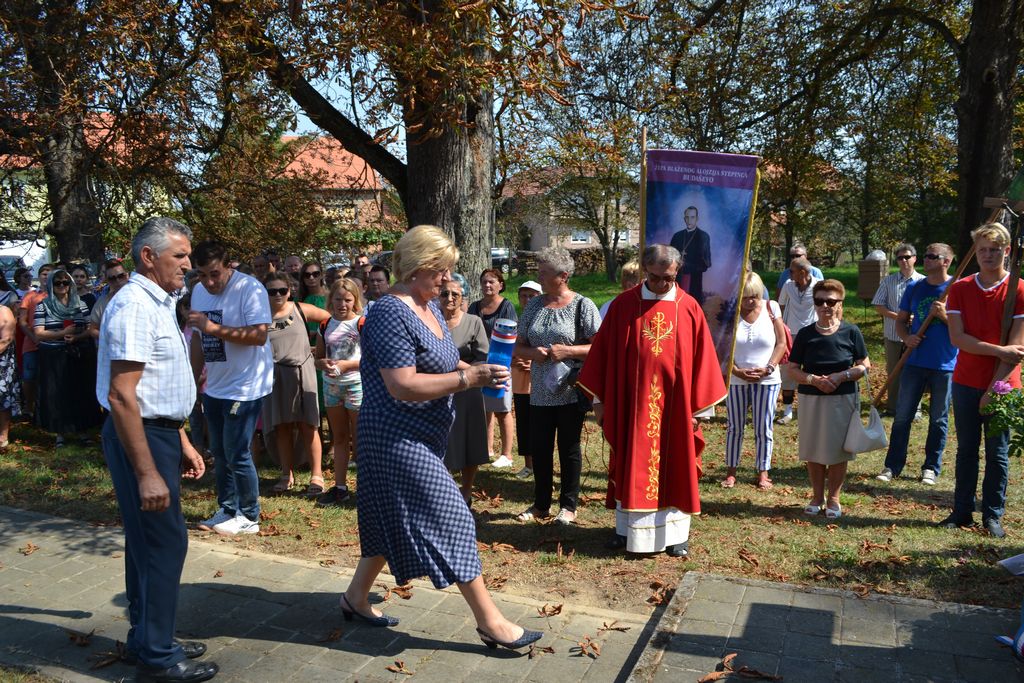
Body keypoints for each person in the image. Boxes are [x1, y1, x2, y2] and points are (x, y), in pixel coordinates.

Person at [341, 225, 542, 652]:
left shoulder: (427, 305)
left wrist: (480, 370)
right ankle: (490, 622)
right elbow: (402, 385)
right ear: (417, 267)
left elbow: (441, 363)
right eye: (441, 270)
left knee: (387, 518)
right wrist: (469, 378)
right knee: (454, 517)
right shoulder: (390, 312)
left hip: (424, 435)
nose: (447, 279)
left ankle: (355, 597)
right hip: (394, 437)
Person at [97, 217, 218, 683]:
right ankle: (158, 657)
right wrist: (147, 472)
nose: (188, 264)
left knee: (149, 542)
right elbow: (122, 396)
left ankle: (149, 638)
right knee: (164, 543)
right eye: (179, 256)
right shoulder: (134, 306)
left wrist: (181, 438)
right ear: (148, 257)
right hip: (140, 437)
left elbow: (155, 386)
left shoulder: (158, 302)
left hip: (159, 433)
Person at [578, 244, 726, 556]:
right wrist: (600, 402)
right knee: (630, 462)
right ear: (645, 271)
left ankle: (676, 535)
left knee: (676, 466)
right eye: (655, 277)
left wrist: (700, 410)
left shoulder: (689, 307)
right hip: (631, 406)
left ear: (677, 273)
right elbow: (603, 356)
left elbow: (704, 362)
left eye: (669, 278)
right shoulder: (623, 305)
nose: (661, 284)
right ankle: (626, 530)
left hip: (675, 407)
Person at [942, 223, 1024, 538]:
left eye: (994, 250)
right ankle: (961, 511)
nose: (988, 255)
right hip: (965, 381)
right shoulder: (961, 288)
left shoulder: (1018, 289)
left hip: (1003, 384)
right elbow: (958, 338)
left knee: (997, 452)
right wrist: (998, 350)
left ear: (1007, 251)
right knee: (966, 449)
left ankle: (992, 515)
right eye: (982, 250)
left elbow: (1016, 350)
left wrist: (993, 389)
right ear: (975, 252)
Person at [188, 241, 274, 536]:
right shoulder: (198, 292)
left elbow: (259, 336)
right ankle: (227, 509)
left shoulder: (250, 289)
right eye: (202, 275)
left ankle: (248, 516)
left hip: (246, 384)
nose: (209, 282)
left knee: (237, 451)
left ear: (229, 266)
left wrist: (212, 328)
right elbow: (197, 339)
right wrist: (193, 378)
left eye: (214, 274)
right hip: (215, 385)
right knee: (219, 451)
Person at [514, 245, 600, 526]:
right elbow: (518, 345)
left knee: (568, 448)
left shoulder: (583, 305)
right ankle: (541, 505)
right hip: (539, 391)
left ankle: (568, 506)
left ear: (563, 276)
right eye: (539, 271)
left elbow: (601, 347)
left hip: (570, 392)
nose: (539, 277)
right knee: (540, 448)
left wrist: (569, 351)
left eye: (544, 272)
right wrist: (532, 353)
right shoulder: (535, 306)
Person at [787, 279, 870, 520]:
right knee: (813, 448)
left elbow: (864, 365)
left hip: (843, 399)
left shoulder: (851, 331)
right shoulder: (805, 334)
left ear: (840, 304)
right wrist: (813, 379)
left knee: (838, 450)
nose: (825, 306)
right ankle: (816, 496)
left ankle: (834, 497)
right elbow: (792, 369)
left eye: (831, 302)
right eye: (820, 301)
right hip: (811, 398)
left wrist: (842, 376)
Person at [877, 243, 957, 485]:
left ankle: (931, 467)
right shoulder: (915, 287)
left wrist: (944, 316)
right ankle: (892, 466)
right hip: (915, 361)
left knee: (938, 419)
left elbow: (966, 328)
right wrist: (906, 337)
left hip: (945, 363)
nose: (927, 259)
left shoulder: (957, 288)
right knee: (902, 416)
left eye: (933, 256)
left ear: (946, 262)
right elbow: (901, 321)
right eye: (926, 255)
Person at [261, 272, 331, 495]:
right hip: (275, 376)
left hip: (303, 371)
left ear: (289, 290)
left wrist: (320, 346)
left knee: (308, 425)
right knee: (282, 427)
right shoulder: (259, 315)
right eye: (272, 291)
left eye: (282, 290)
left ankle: (317, 475)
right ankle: (286, 474)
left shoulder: (301, 309)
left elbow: (330, 320)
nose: (278, 295)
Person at [724, 272, 788, 490]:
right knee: (734, 426)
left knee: (763, 426)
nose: (750, 301)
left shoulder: (772, 308)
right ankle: (731, 472)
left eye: (755, 296)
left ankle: (763, 472)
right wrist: (736, 371)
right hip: (736, 379)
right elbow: (721, 347)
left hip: (768, 379)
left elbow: (781, 343)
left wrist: (769, 367)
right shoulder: (729, 312)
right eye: (745, 297)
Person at [34, 268, 102, 445]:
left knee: (79, 392)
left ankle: (82, 430)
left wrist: (76, 337)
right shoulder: (43, 305)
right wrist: (62, 333)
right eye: (57, 283)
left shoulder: (80, 304)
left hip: (77, 354)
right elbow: (39, 333)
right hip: (53, 356)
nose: (62, 286)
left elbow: (90, 328)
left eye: (65, 282)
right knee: (57, 393)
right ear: (51, 285)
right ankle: (60, 433)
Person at [315, 278, 365, 506]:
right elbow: (318, 358)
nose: (342, 304)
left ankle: (365, 487)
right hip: (332, 386)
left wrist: (347, 365)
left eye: (347, 300)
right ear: (331, 300)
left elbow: (371, 358)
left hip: (356, 384)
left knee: (361, 438)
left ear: (355, 300)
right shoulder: (325, 325)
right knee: (340, 437)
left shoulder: (361, 323)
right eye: (338, 299)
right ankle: (340, 487)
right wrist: (323, 363)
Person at [440, 277, 490, 503]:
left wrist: (465, 371)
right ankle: (444, 492)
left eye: (455, 294)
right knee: (443, 441)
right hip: (437, 389)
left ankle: (466, 491)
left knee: (469, 442)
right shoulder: (431, 320)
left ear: (463, 298)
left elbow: (483, 358)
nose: (449, 298)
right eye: (444, 293)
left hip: (468, 390)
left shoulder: (473, 322)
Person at [468, 268, 518, 468]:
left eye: (492, 282)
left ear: (501, 285)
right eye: (484, 282)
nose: (487, 285)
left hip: (500, 365)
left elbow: (510, 335)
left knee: (502, 409)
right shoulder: (474, 306)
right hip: (479, 363)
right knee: (483, 410)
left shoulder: (506, 306)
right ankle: (487, 449)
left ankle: (507, 454)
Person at [872, 244, 924, 416]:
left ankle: (914, 409)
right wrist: (899, 317)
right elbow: (878, 305)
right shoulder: (889, 281)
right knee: (893, 372)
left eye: (907, 257)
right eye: (900, 258)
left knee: (915, 372)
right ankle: (892, 407)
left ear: (914, 258)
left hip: (916, 336)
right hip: (893, 335)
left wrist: (916, 318)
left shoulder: (923, 282)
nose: (903, 261)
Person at [777, 257, 820, 424]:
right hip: (791, 334)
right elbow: (780, 307)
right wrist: (780, 330)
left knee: (811, 370)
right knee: (788, 371)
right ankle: (787, 411)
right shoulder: (788, 285)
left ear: (802, 272)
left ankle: (809, 407)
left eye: (792, 271)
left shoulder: (818, 286)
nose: (789, 274)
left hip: (812, 334)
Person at [512, 280, 542, 480]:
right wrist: (513, 360)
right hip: (519, 382)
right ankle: (528, 465)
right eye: (524, 296)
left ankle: (541, 464)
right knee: (523, 425)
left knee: (539, 427)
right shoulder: (517, 322)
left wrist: (532, 363)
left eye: (532, 296)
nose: (527, 299)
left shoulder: (543, 321)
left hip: (539, 383)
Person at [18, 263, 52, 420]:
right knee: (29, 376)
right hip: (31, 343)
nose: (47, 277)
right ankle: (29, 407)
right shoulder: (29, 296)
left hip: (52, 342)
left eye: (50, 274)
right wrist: (34, 338)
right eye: (44, 274)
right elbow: (22, 321)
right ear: (39, 276)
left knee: (49, 378)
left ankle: (47, 408)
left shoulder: (59, 294)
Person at [668, 206, 711, 304]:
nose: (689, 220)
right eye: (687, 217)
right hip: (677, 278)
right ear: (684, 219)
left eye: (692, 217)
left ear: (697, 218)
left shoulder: (704, 236)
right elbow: (669, 258)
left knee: (692, 304)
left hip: (694, 280)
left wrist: (688, 266)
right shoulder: (677, 236)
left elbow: (706, 263)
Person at [89, 259, 130, 339]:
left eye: (121, 276)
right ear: (107, 281)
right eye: (112, 278)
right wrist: (110, 338)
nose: (117, 280)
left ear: (127, 275)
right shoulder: (102, 302)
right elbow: (92, 329)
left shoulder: (140, 297)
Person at [0, 301, 20, 447]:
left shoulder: (4, 311)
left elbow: (6, 339)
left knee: (2, 398)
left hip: (2, 364)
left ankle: (3, 436)